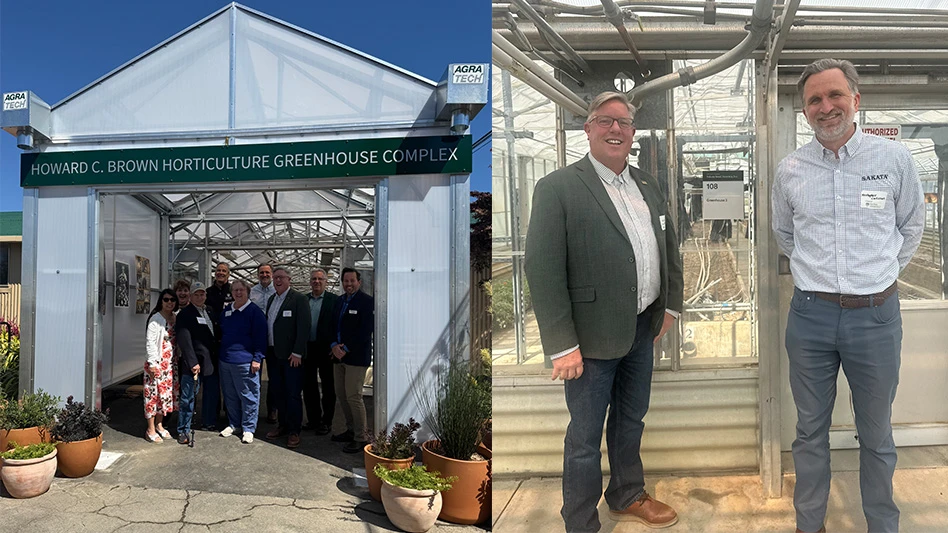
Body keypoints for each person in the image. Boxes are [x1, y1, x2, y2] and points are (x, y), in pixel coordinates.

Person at [772, 59, 924, 533]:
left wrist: (875, 278)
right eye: (815, 99)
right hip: (811, 317)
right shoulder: (790, 170)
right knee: (809, 432)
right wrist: (822, 280)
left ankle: (882, 524)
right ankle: (809, 524)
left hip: (876, 318)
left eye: (835, 95)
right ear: (804, 110)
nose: (826, 106)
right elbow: (785, 234)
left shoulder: (893, 161)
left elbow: (911, 228)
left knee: (876, 434)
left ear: (856, 100)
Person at [524, 91, 684, 532]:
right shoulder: (558, 187)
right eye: (605, 121)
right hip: (589, 339)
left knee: (631, 419)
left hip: (641, 327)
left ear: (634, 133)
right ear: (588, 128)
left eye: (624, 123)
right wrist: (562, 346)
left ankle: (627, 495)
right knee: (584, 436)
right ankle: (579, 520)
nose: (616, 129)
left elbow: (668, 247)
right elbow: (543, 269)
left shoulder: (647, 184)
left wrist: (670, 305)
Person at [264, 267, 311, 449]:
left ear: (289, 279)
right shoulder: (271, 300)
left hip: (292, 356)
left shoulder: (299, 299)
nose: (277, 280)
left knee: (292, 394)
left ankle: (294, 431)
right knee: (278, 392)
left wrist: (298, 352)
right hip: (274, 355)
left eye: (281, 277)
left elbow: (304, 327)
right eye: (275, 277)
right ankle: (282, 425)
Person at [330, 267, 375, 454]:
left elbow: (365, 331)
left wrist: (345, 349)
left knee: (354, 396)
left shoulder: (367, 302)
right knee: (341, 394)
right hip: (337, 355)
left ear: (359, 282)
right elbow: (332, 324)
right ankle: (350, 430)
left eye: (352, 281)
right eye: (345, 281)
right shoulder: (339, 301)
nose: (348, 284)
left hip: (355, 357)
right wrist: (333, 345)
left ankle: (361, 436)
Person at [218, 279, 268, 444]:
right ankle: (234, 424)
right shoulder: (227, 310)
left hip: (245, 361)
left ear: (248, 292)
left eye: (241, 290)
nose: (238, 293)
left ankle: (248, 428)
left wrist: (257, 358)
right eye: (235, 290)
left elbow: (261, 337)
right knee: (230, 395)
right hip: (226, 360)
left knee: (249, 395)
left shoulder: (254, 312)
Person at [174, 281, 219, 445]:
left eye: (202, 294)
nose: (200, 297)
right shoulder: (185, 314)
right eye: (196, 294)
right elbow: (184, 340)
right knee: (188, 397)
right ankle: (183, 430)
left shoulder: (210, 311)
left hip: (210, 362)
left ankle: (209, 422)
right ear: (191, 296)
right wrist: (192, 362)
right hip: (193, 364)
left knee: (211, 394)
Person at [303, 268, 338, 435]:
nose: (316, 282)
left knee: (328, 386)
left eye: (320, 279)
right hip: (307, 348)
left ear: (326, 282)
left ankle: (327, 421)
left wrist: (336, 345)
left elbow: (339, 325)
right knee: (309, 386)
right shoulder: (304, 300)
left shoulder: (333, 300)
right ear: (310, 282)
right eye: (314, 279)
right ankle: (313, 419)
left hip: (326, 349)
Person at [144, 288, 180, 443]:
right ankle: (150, 428)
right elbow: (150, 342)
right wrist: (152, 363)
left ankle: (159, 425)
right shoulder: (155, 319)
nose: (169, 302)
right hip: (157, 363)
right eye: (166, 300)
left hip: (171, 365)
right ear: (161, 301)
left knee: (164, 397)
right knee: (153, 396)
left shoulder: (175, 317)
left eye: (172, 300)